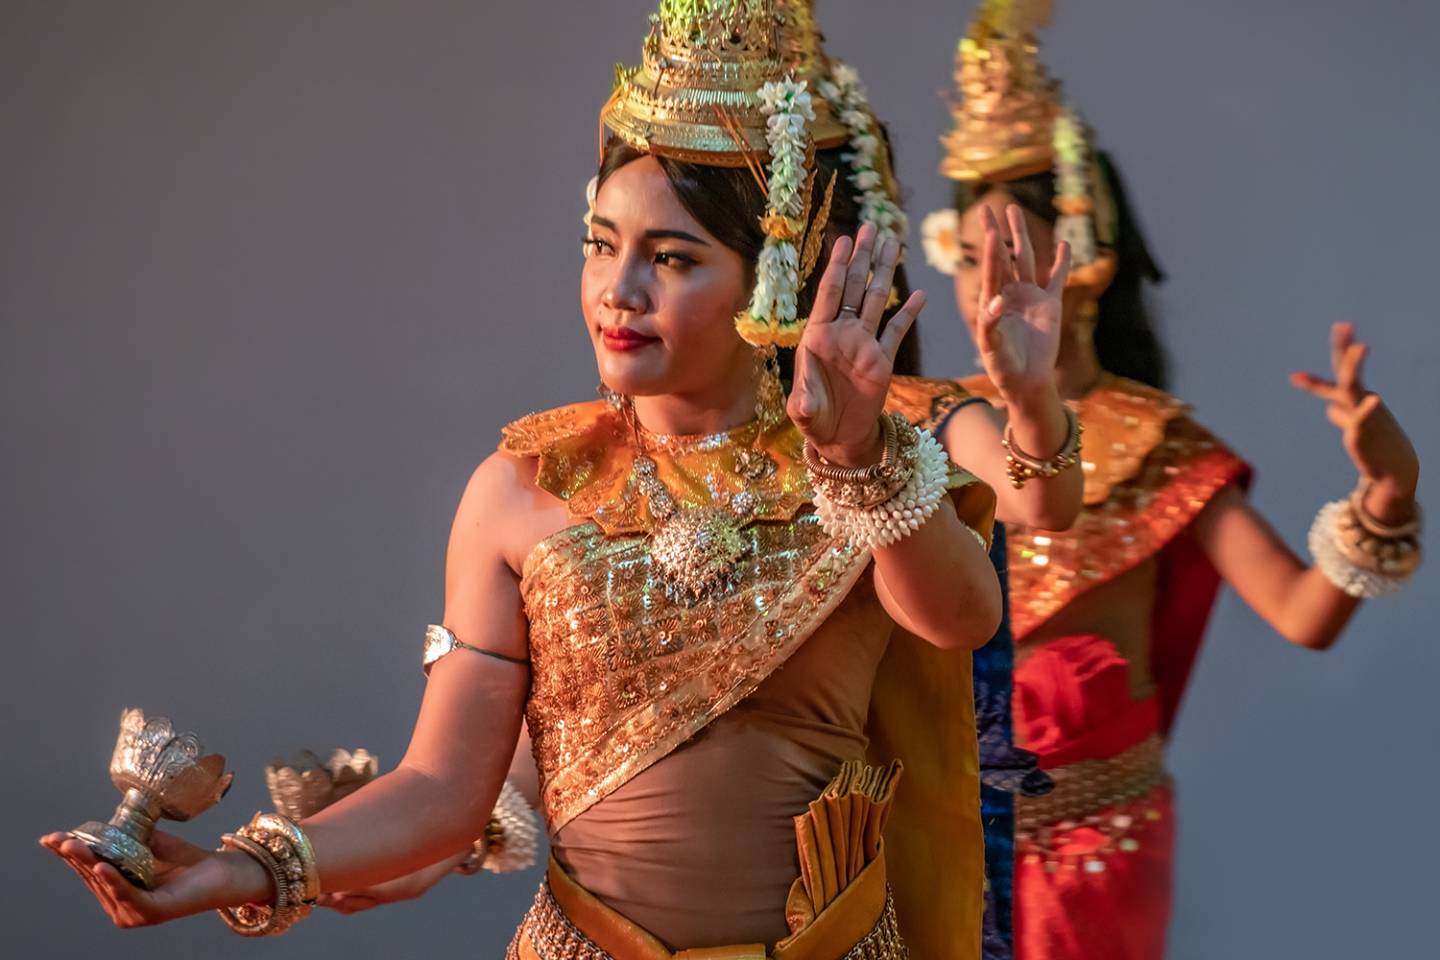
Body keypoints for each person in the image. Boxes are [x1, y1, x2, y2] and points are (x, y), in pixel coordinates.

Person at [39, 2, 1071, 955]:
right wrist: (237, 871)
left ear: (772, 277)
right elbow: (443, 787)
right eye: (601, 245)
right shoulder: (524, 488)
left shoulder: (862, 459)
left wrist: (855, 458)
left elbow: (962, 618)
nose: (618, 291)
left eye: (672, 259)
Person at [918, 2, 1423, 958]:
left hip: (1091, 859)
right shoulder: (929, 424)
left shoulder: (1157, 447)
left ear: (1083, 258)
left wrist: (1388, 495)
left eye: (1013, 257)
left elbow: (1305, 613)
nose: (986, 288)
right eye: (968, 258)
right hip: (936, 842)